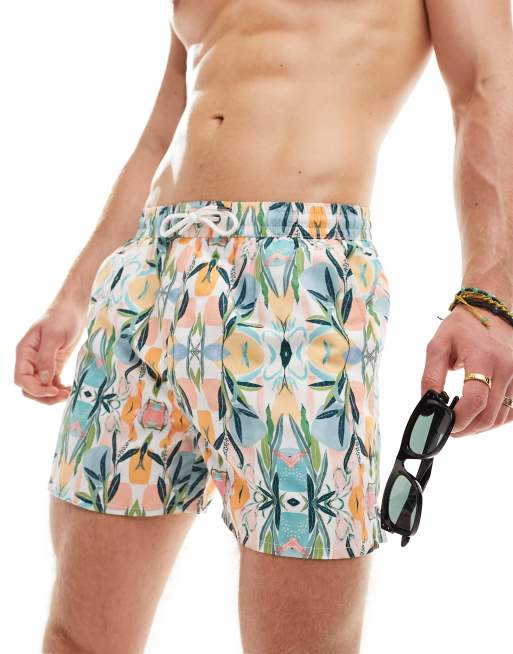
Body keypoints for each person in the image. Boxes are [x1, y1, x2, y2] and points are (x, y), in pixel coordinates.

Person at [14, 1, 513, 653]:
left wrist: (490, 295)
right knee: (77, 639)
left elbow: (487, 84)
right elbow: (162, 134)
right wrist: (72, 300)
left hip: (295, 280)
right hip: (145, 278)